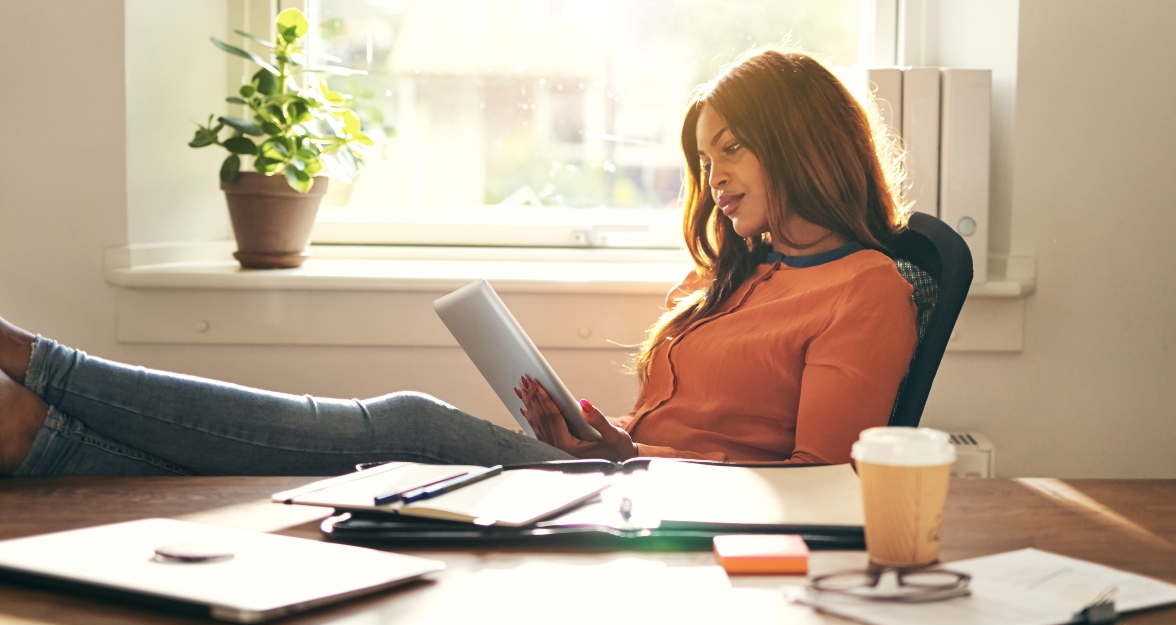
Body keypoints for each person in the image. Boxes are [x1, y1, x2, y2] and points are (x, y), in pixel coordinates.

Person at [0, 47, 915, 477]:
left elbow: (825, 480)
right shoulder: (741, 275)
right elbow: (689, 426)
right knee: (374, 447)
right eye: (705, 157)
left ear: (801, 144)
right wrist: (610, 441)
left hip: (668, 509)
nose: (712, 178)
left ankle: (38, 369)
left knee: (403, 423)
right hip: (626, 483)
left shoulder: (865, 290)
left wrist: (633, 463)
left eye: (734, 151)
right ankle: (40, 433)